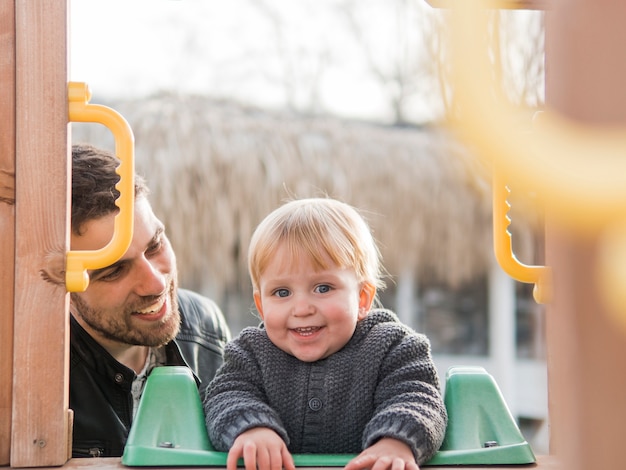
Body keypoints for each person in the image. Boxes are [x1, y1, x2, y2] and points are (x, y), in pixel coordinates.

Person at [204, 198, 447, 470]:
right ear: (261, 306)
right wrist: (252, 428)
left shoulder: (392, 347)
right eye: (282, 292)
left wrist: (395, 441)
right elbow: (225, 395)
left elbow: (417, 396)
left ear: (363, 298)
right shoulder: (250, 352)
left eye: (323, 288)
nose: (303, 308)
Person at [68, 144, 231, 458]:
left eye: (155, 246)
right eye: (115, 271)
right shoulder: (29, 373)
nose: (155, 283)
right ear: (61, 286)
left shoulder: (206, 327)